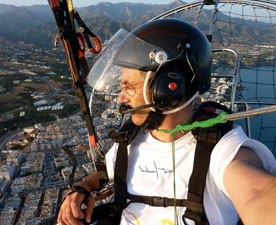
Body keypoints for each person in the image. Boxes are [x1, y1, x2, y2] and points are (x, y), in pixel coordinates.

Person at [57, 18, 276, 225]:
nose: (122, 99)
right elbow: (107, 173)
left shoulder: (221, 149)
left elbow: (258, 193)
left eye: (129, 87)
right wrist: (83, 188)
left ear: (167, 88)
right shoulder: (129, 141)